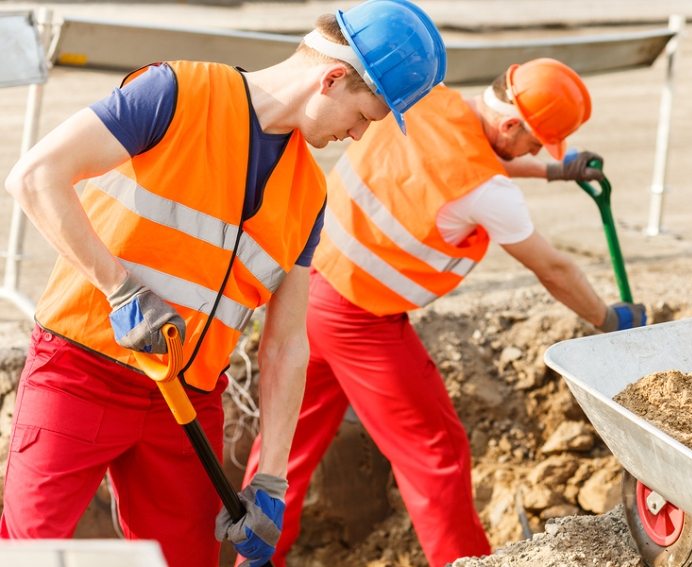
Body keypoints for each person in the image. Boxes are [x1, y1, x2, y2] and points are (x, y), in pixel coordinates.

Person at [0, 1, 446, 566]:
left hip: (185, 400)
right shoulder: (176, 93)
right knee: (30, 552)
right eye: (364, 117)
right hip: (80, 371)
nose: (357, 136)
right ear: (332, 78)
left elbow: (286, 343)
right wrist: (119, 290)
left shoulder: (308, 195)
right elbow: (37, 177)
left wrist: (274, 480)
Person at [240, 57, 647, 566]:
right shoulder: (486, 190)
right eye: (537, 143)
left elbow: (471, 152)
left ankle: (248, 559)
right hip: (358, 318)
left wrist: (553, 171)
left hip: (303, 291)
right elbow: (555, 270)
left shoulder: (429, 102)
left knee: (285, 452)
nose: (536, 151)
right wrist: (610, 321)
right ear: (510, 124)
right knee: (436, 452)